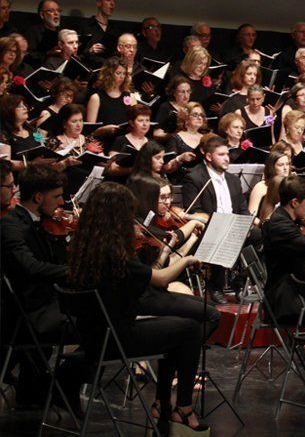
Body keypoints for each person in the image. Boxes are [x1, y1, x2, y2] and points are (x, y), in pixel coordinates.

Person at [66, 182, 209, 434]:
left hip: (90, 335)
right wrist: (186, 259)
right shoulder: (114, 252)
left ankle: (165, 404)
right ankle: (182, 407)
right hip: (115, 339)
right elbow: (161, 279)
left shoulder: (84, 245)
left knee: (180, 326)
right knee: (190, 328)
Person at [1, 166, 83, 409]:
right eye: (57, 196)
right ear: (38, 197)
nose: (61, 202)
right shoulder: (11, 224)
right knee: (104, 325)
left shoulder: (44, 222)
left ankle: (48, 385)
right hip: (29, 314)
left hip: (49, 304)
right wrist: (76, 273)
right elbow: (31, 267)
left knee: (105, 321)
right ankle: (62, 383)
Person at [181, 135, 255, 304]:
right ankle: (215, 286)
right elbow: (194, 211)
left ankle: (240, 282)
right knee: (222, 232)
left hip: (234, 226)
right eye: (221, 154)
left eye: (227, 154)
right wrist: (219, 223)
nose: (227, 158)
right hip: (209, 228)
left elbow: (242, 209)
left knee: (262, 235)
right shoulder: (194, 177)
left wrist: (247, 224)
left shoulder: (233, 180)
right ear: (208, 157)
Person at [262, 174, 305, 327]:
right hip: (288, 300)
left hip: (299, 287)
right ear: (294, 202)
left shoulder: (288, 220)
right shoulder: (280, 226)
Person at [85, 56, 133, 126]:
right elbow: (90, 130)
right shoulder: (96, 98)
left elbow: (135, 123)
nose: (122, 77)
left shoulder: (130, 96)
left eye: (124, 73)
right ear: (108, 74)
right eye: (118, 73)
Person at [247, 151, 291, 218]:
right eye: (281, 165)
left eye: (287, 164)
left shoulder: (290, 185)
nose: (285, 168)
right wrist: (264, 225)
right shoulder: (261, 187)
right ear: (272, 167)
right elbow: (251, 216)